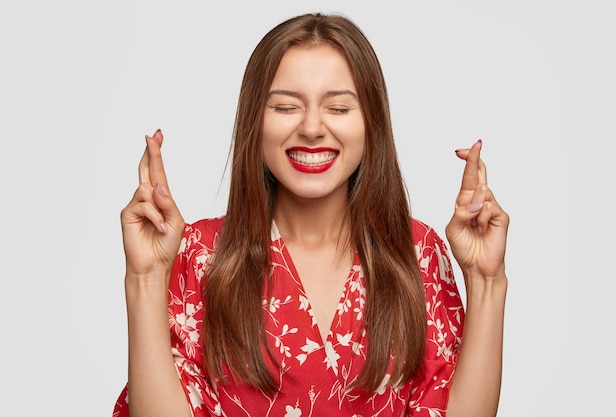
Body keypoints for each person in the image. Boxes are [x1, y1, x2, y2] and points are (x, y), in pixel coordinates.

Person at [113, 12, 509, 417]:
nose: (313, 128)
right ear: (256, 121)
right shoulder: (200, 254)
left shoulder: (417, 252)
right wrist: (144, 277)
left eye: (338, 108)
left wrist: (486, 279)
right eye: (286, 107)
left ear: (371, 123)